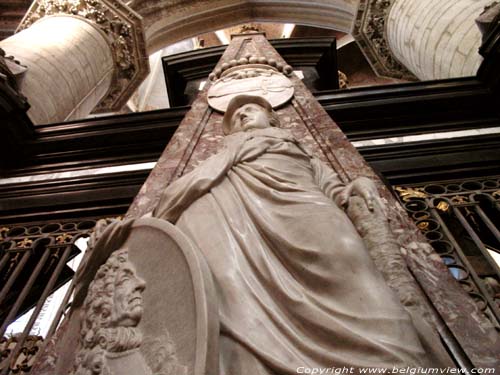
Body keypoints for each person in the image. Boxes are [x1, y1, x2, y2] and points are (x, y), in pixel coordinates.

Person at [154, 95, 429, 374]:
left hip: (309, 211)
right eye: (235, 116)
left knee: (351, 267)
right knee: (234, 293)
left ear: (271, 116)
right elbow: (184, 191)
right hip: (241, 223)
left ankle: (397, 361)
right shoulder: (224, 155)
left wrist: (355, 184)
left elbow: (331, 188)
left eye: (250, 109)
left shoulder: (296, 148)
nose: (242, 115)